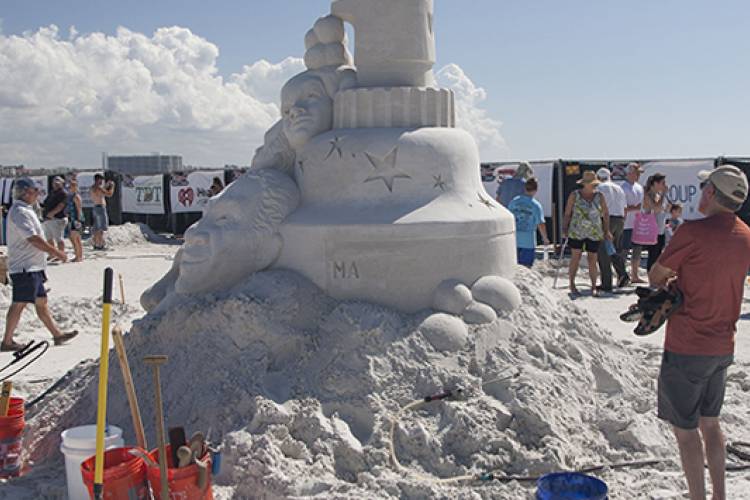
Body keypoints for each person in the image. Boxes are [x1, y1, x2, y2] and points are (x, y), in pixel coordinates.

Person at [648, 165, 750, 500]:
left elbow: (656, 275)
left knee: (686, 431)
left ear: (710, 194)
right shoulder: (746, 235)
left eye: (705, 187)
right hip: (723, 345)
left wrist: (674, 283)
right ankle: (719, 496)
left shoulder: (692, 232)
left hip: (688, 345)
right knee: (711, 423)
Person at [2, 178, 78, 351]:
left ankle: (57, 334)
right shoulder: (19, 212)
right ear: (26, 192)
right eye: (35, 191)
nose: (38, 194)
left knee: (41, 301)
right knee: (19, 303)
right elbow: (33, 238)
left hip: (33, 266)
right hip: (24, 266)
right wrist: (56, 252)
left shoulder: (27, 210)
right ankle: (7, 341)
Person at [562, 171, 612, 297]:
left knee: (592, 259)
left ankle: (594, 286)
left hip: (594, 231)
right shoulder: (575, 195)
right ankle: (572, 284)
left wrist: (606, 230)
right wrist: (565, 228)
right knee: (575, 257)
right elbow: (568, 213)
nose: (593, 186)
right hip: (577, 230)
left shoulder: (599, 196)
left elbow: (605, 214)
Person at [595, 167, 628, 291]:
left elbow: (597, 207)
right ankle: (622, 274)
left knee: (603, 252)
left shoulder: (599, 188)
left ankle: (606, 283)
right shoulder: (619, 188)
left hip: (606, 220)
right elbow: (624, 208)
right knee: (614, 250)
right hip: (619, 220)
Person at [508, 177, 549, 268]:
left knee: (514, 267)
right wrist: (545, 238)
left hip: (514, 239)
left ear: (525, 188)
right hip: (528, 241)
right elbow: (540, 224)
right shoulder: (536, 205)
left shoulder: (514, 201)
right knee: (526, 268)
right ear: (536, 190)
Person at [621, 162, 646, 283]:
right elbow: (622, 208)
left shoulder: (639, 187)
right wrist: (634, 208)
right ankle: (622, 275)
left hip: (638, 222)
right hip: (626, 224)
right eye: (637, 173)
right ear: (630, 173)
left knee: (637, 249)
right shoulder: (623, 188)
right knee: (624, 250)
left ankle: (634, 275)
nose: (638, 175)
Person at [642, 173, 669, 271]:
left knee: (658, 254)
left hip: (660, 227)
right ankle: (650, 275)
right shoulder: (648, 194)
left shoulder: (658, 195)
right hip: (652, 228)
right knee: (652, 254)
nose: (664, 185)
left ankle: (655, 275)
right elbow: (656, 208)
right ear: (656, 183)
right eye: (662, 183)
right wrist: (663, 194)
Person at [42, 176, 68, 259]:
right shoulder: (52, 192)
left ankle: (61, 254)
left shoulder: (63, 193)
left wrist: (52, 213)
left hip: (57, 218)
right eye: (54, 182)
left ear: (62, 183)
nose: (55, 184)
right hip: (48, 219)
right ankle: (52, 254)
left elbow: (61, 205)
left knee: (58, 239)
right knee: (49, 238)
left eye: (58, 182)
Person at [90, 174, 115, 250]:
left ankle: (96, 243)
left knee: (97, 227)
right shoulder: (99, 188)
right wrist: (112, 186)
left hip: (95, 207)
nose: (102, 182)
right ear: (98, 180)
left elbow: (101, 191)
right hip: (100, 208)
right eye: (101, 180)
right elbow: (109, 194)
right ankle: (100, 244)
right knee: (101, 228)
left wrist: (106, 185)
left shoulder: (92, 187)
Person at [66, 180, 85, 262]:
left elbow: (79, 209)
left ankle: (79, 256)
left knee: (76, 238)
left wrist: (78, 220)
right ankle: (77, 255)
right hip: (71, 218)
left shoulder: (76, 196)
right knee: (73, 238)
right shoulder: (70, 196)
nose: (70, 188)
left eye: (72, 186)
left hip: (76, 219)